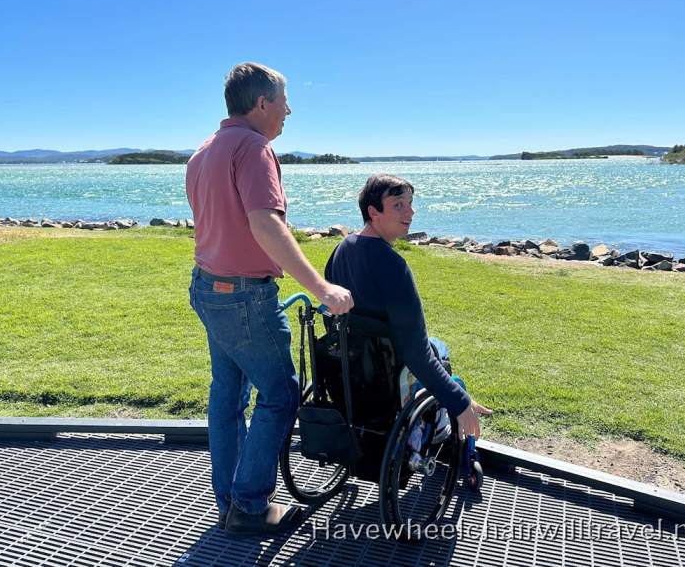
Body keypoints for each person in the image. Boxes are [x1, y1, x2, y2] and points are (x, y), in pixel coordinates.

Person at [186, 62, 353, 537]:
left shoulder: (204, 151)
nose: (288, 110)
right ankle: (249, 506)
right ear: (262, 103)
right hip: (243, 297)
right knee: (280, 394)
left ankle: (230, 501)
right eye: (283, 101)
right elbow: (265, 224)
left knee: (228, 395)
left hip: (208, 287)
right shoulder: (255, 148)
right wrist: (321, 288)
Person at [324, 174, 491, 441]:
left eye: (410, 203)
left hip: (353, 366)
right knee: (438, 349)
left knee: (433, 347)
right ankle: (440, 425)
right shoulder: (393, 267)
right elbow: (417, 352)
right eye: (398, 205)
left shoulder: (341, 250)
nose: (410, 212)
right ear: (373, 211)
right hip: (389, 372)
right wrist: (459, 401)